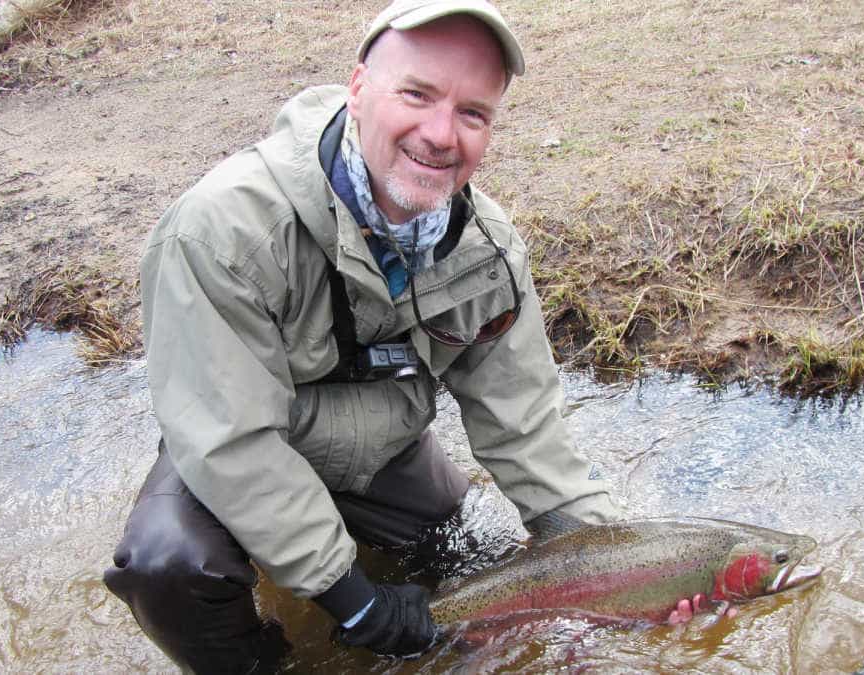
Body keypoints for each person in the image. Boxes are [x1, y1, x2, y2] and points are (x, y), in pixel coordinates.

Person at [103, 1, 621, 671]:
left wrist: (621, 562)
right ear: (356, 90)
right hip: (240, 450)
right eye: (417, 94)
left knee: (482, 572)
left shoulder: (488, 254)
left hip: (382, 458)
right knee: (169, 565)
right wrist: (352, 597)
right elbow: (232, 440)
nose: (441, 134)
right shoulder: (221, 231)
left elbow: (528, 431)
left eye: (473, 113)